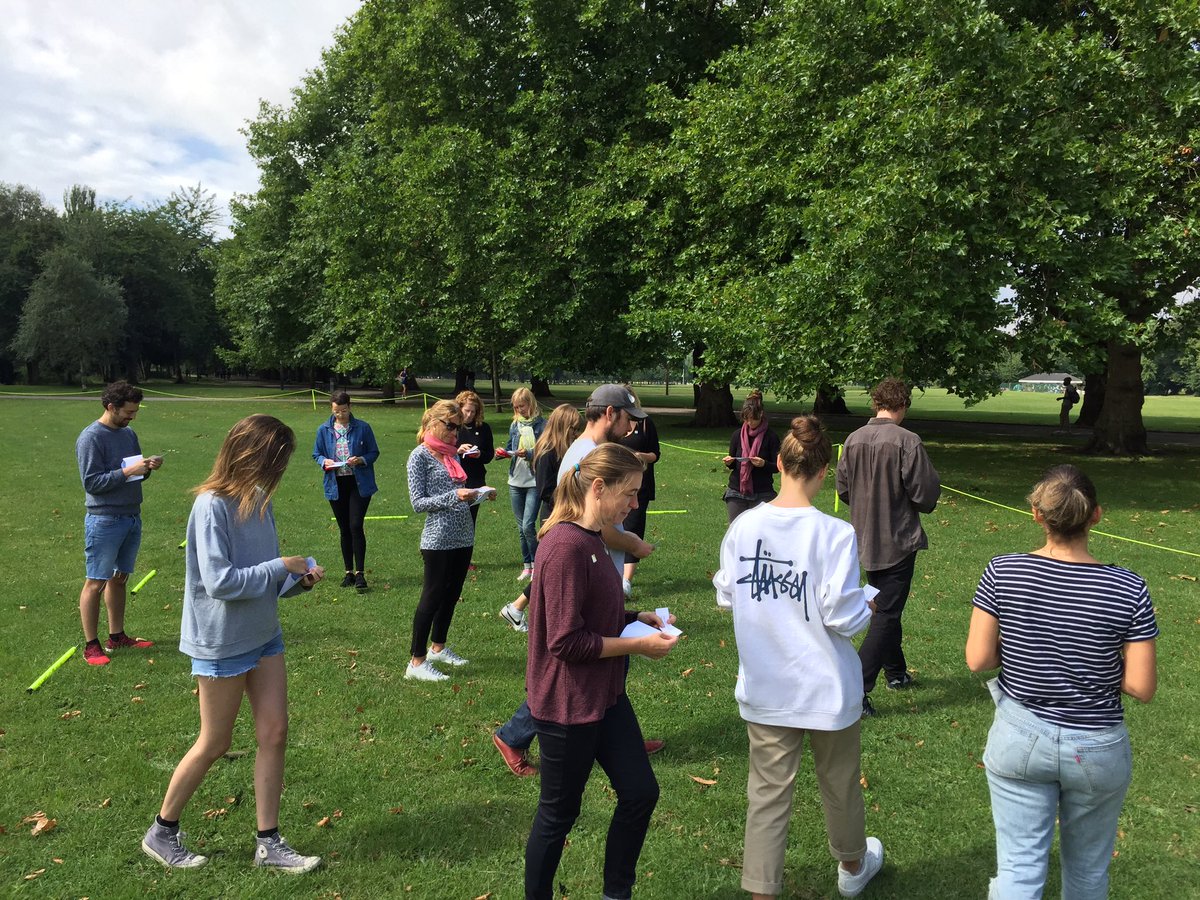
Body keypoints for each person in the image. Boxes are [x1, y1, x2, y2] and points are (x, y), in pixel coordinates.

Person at [141, 415, 324, 873]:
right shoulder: (211, 505)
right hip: (220, 640)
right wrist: (281, 566)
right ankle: (162, 830)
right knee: (215, 741)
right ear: (250, 454)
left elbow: (261, 576)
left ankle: (269, 842)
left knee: (274, 733)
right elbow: (220, 582)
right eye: (274, 459)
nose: (279, 470)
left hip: (264, 633)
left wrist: (296, 581)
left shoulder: (260, 501)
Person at [966, 464, 1157, 898]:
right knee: (1088, 874)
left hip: (1019, 738)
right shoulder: (1130, 588)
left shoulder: (1003, 571)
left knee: (1017, 869)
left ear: (1037, 514)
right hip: (1097, 746)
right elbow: (1141, 685)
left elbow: (978, 659)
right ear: (1096, 516)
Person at [714, 415, 884, 899]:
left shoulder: (744, 526)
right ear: (822, 469)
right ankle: (852, 866)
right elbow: (841, 615)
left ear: (781, 463)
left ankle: (763, 891)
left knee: (767, 794)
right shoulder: (835, 534)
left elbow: (727, 593)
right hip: (824, 685)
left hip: (769, 683)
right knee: (840, 782)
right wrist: (865, 604)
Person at [523, 443, 678, 900]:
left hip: (605, 697)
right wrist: (637, 645)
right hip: (567, 706)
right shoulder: (567, 545)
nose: (634, 504)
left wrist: (634, 616)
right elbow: (565, 642)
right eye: (628, 493)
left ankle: (616, 893)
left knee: (639, 792)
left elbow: (590, 612)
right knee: (558, 814)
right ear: (597, 487)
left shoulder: (593, 537)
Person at [493, 385, 660, 778]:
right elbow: (592, 528)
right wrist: (633, 541)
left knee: (595, 671)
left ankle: (621, 740)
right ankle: (515, 735)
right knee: (563, 678)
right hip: (591, 572)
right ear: (609, 414)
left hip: (599, 573)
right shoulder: (590, 457)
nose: (633, 428)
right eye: (629, 419)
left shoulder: (591, 451)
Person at [835, 378, 940, 718]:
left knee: (886, 606)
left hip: (864, 537)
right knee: (886, 613)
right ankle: (858, 688)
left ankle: (896, 672)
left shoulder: (853, 440)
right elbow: (925, 495)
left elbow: (843, 488)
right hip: (897, 539)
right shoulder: (907, 441)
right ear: (903, 405)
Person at [76, 381, 163, 666]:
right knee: (96, 581)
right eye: (127, 412)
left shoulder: (128, 434)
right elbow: (91, 482)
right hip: (104, 519)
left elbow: (134, 474)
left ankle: (117, 636)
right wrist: (127, 472)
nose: (132, 417)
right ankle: (91, 645)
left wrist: (146, 469)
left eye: (135, 411)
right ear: (110, 407)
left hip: (131, 515)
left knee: (120, 578)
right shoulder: (91, 437)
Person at [405, 400, 493, 682]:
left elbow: (459, 495)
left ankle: (437, 648)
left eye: (458, 427)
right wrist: (455, 496)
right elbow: (418, 502)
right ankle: (416, 662)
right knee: (432, 596)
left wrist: (479, 493)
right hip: (438, 539)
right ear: (434, 423)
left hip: (463, 535)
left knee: (452, 596)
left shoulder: (450, 455)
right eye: (452, 427)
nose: (457, 433)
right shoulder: (419, 456)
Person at [499, 403, 581, 633]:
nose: (575, 433)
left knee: (556, 571)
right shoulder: (548, 452)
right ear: (563, 426)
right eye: (573, 429)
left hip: (563, 514)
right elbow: (545, 489)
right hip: (553, 517)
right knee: (551, 571)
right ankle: (517, 607)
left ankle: (518, 609)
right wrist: (572, 497)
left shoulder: (565, 449)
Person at [312, 390, 380, 592]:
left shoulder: (363, 428)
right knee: (344, 528)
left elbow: (374, 452)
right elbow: (316, 453)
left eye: (343, 410)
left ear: (350, 407)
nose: (340, 415)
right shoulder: (324, 429)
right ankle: (348, 572)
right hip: (336, 483)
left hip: (358, 483)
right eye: (336, 411)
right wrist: (325, 461)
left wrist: (361, 460)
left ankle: (360, 573)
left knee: (355, 525)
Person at [501, 388, 546, 581]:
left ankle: (537, 564)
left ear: (531, 404)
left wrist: (528, 454)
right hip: (515, 480)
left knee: (528, 525)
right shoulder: (515, 424)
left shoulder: (543, 425)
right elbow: (511, 446)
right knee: (521, 528)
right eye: (516, 407)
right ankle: (526, 565)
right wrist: (502, 453)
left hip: (534, 480)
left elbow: (545, 452)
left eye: (523, 406)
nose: (520, 410)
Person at [618, 390, 660, 593]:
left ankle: (626, 580)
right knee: (613, 526)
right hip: (616, 484)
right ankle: (613, 574)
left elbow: (655, 454)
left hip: (639, 485)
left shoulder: (645, 423)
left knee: (633, 526)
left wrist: (640, 455)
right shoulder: (615, 426)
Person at [722, 390, 781, 524]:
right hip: (737, 490)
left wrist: (763, 464)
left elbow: (777, 467)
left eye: (752, 419)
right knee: (736, 531)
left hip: (762, 491)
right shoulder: (737, 435)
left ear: (760, 415)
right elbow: (733, 464)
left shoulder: (771, 437)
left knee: (760, 532)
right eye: (746, 419)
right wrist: (729, 462)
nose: (749, 423)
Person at [454, 390, 496, 569]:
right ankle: (451, 556)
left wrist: (479, 454)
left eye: (473, 411)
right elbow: (442, 450)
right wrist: (458, 449)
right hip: (455, 478)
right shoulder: (452, 427)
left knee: (470, 520)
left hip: (476, 478)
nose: (469, 414)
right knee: (455, 518)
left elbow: (489, 454)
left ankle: (465, 559)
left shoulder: (484, 428)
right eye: (466, 410)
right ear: (460, 408)